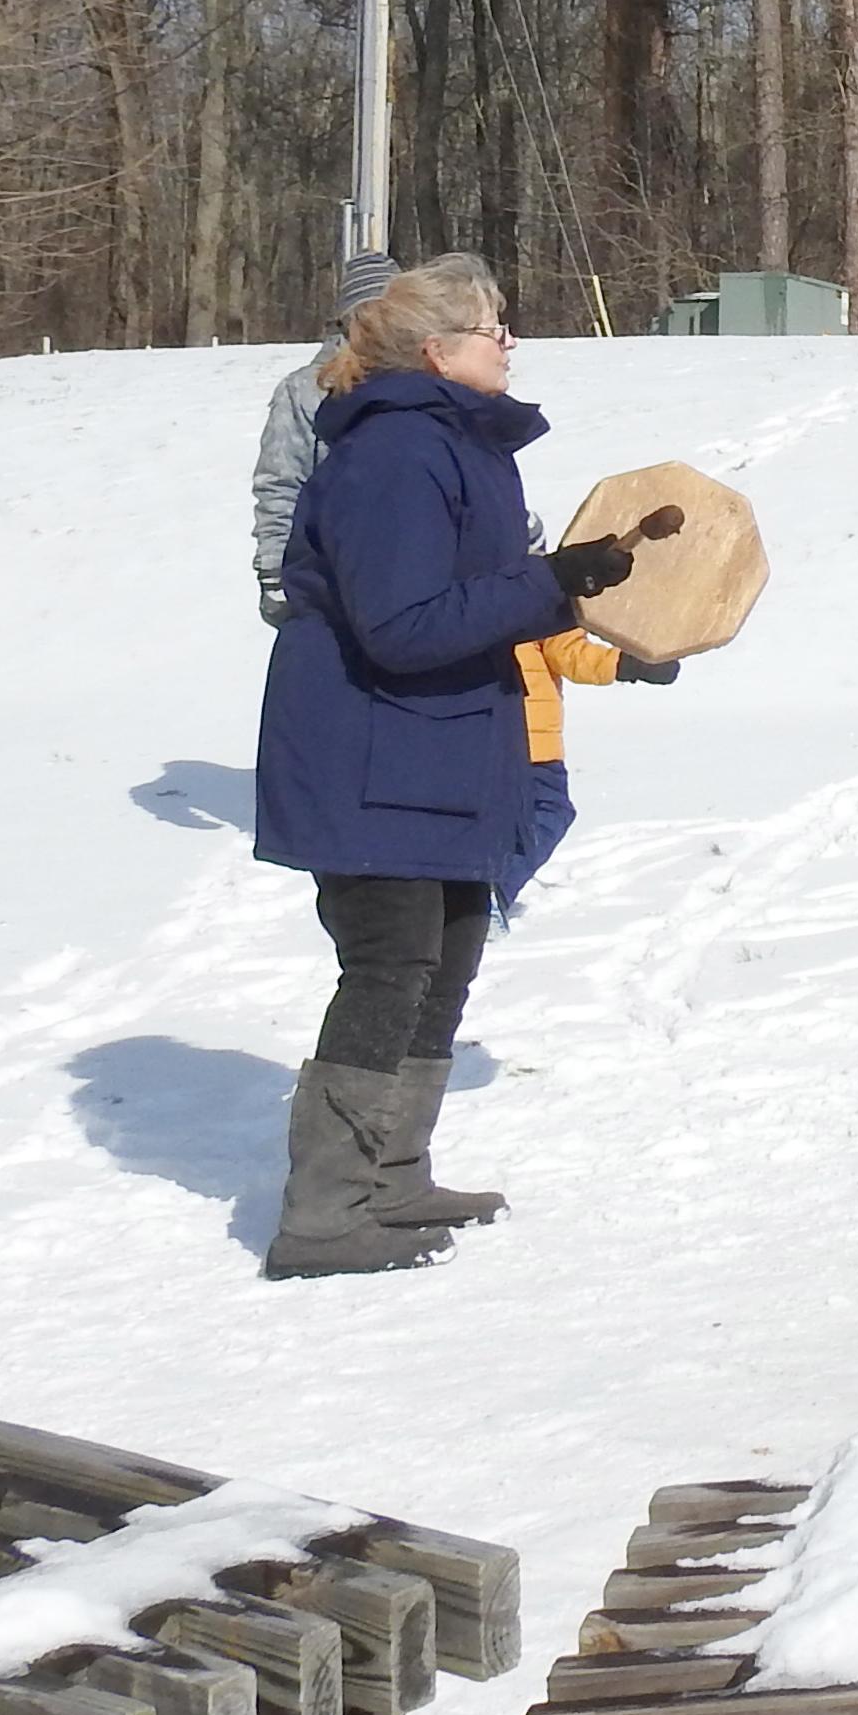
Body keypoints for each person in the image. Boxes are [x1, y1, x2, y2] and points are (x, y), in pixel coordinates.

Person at [254, 255, 640, 1277]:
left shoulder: (456, 444)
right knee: (387, 965)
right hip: (370, 749)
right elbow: (403, 626)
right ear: (436, 351)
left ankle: (394, 1175)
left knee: (449, 950)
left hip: (441, 747)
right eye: (491, 326)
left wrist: (569, 588)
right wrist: (547, 583)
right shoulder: (394, 453)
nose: (508, 339)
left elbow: (471, 594)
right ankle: (325, 1211)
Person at [253, 251, 399, 623]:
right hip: (326, 578)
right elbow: (281, 483)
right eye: (369, 313)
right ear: (347, 320)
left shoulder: (428, 378)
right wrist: (273, 572)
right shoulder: (305, 390)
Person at [499, 626, 680, 913]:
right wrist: (627, 664)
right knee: (549, 811)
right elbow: (568, 652)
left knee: (486, 820)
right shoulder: (538, 587)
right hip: (530, 740)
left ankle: (463, 894)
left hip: (469, 734)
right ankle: (490, 894)